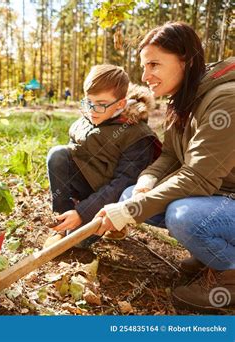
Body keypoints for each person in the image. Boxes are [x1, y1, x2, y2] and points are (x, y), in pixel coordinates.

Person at [95, 22, 235, 312]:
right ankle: (212, 255)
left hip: (221, 197)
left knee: (183, 216)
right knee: (131, 193)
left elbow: (199, 177)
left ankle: (230, 273)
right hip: (221, 197)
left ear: (187, 60)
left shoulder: (226, 99)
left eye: (155, 64)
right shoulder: (184, 98)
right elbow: (170, 156)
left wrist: (136, 209)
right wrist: (146, 182)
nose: (146, 76)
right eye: (144, 66)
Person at [45, 65, 160, 248]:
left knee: (78, 243)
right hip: (88, 188)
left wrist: (83, 212)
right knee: (57, 155)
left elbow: (122, 184)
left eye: (100, 104)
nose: (92, 110)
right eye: (88, 102)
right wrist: (73, 203)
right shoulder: (88, 118)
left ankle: (114, 225)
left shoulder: (138, 136)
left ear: (121, 104)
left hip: (111, 200)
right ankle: (63, 222)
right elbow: (71, 160)